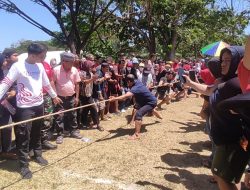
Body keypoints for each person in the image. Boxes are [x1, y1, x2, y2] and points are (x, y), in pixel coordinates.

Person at [0, 43, 62, 179]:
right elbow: (6, 83)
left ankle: (37, 154)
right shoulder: (18, 66)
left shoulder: (40, 66)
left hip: (39, 105)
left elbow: (46, 83)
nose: (44, 57)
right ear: (33, 55)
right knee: (23, 136)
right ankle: (23, 165)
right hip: (24, 108)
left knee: (37, 131)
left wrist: (54, 96)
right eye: (42, 55)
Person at [110, 74, 157, 140]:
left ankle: (137, 135)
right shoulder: (137, 81)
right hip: (144, 101)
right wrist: (115, 98)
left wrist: (115, 98)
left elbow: (125, 97)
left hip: (150, 102)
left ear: (129, 81)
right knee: (137, 108)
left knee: (138, 114)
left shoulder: (136, 88)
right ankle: (153, 112)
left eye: (127, 82)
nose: (127, 84)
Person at [51, 52, 82, 144]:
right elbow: (52, 83)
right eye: (71, 62)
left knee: (73, 115)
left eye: (73, 62)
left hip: (71, 97)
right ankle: (60, 134)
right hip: (59, 98)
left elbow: (77, 84)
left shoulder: (74, 70)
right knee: (59, 117)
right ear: (64, 61)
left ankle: (74, 131)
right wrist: (55, 96)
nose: (72, 64)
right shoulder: (56, 70)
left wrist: (77, 97)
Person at [0, 49, 19, 159]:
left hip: (6, 105)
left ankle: (6, 151)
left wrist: (14, 90)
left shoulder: (10, 70)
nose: (6, 63)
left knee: (7, 127)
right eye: (4, 61)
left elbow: (15, 83)